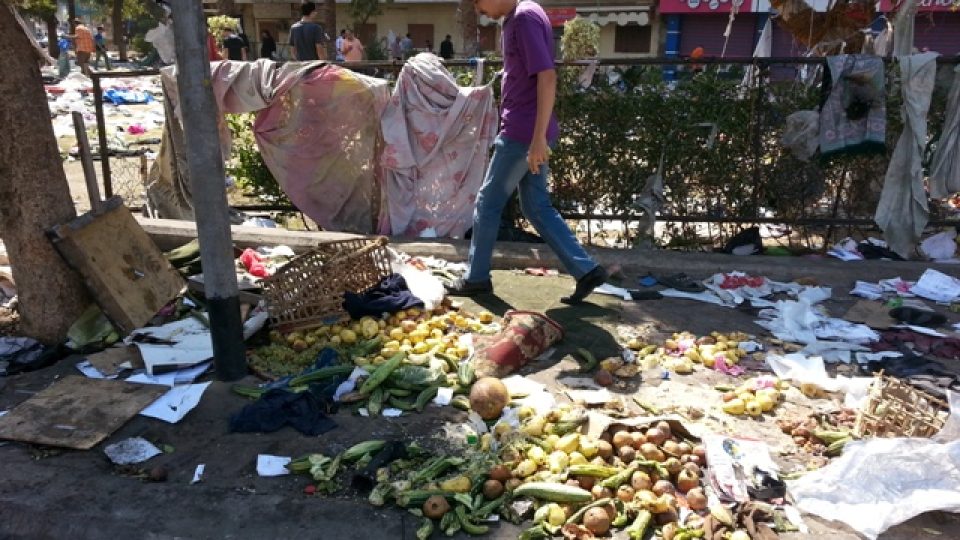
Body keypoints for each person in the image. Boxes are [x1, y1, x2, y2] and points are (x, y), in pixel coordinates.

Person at [446, 0, 608, 303]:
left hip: (523, 134)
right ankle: (587, 270)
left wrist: (536, 140)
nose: (479, 11)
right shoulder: (521, 15)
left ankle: (476, 278)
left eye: (478, 3)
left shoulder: (523, 18)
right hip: (531, 131)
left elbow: (547, 76)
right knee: (535, 206)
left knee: (487, 202)